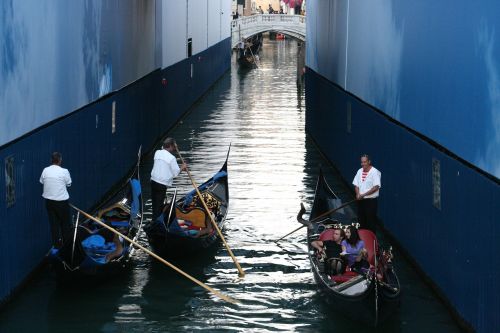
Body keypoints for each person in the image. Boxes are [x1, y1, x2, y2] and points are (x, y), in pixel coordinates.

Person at [40, 152, 72, 248]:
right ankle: (67, 246)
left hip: (49, 203)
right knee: (65, 225)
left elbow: (42, 181)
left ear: (51, 160)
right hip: (62, 203)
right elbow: (69, 184)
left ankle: (57, 246)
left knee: (54, 226)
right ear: (60, 161)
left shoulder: (45, 170)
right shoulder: (64, 171)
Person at [150, 138, 187, 221]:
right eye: (173, 147)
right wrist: (182, 167)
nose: (174, 149)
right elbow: (176, 173)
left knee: (155, 205)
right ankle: (157, 224)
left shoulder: (157, 153)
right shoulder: (172, 158)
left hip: (153, 182)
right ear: (170, 146)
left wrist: (173, 145)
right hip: (161, 184)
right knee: (159, 206)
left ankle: (154, 220)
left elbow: (164, 166)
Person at [352, 154, 381, 233]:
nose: (363, 164)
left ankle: (372, 242)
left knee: (370, 223)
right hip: (361, 201)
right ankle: (362, 241)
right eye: (362, 162)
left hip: (370, 202)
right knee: (361, 221)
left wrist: (363, 195)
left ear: (369, 162)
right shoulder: (359, 171)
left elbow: (376, 187)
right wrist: (357, 194)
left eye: (365, 162)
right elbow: (356, 185)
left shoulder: (375, 172)